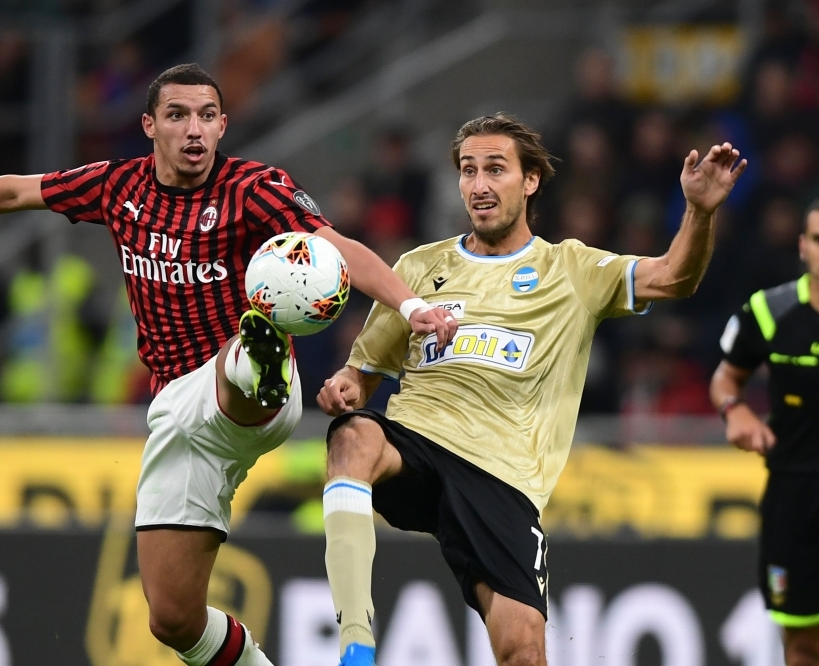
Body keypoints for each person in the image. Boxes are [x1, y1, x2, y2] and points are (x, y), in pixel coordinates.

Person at [0, 63, 457, 666]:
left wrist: (408, 304)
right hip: (176, 415)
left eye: (206, 116)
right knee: (173, 619)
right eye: (177, 115)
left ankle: (259, 357)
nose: (193, 130)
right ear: (149, 125)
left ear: (222, 126)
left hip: (242, 391)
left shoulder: (254, 188)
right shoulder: (119, 187)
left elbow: (339, 248)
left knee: (250, 345)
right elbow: (16, 189)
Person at [317, 113, 746, 666]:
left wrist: (699, 211)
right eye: (468, 171)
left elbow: (674, 276)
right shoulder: (419, 268)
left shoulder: (572, 267)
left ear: (531, 180)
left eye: (495, 169)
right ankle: (355, 641)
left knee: (523, 652)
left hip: (503, 477)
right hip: (418, 442)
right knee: (351, 438)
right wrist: (346, 387)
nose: (479, 185)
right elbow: (363, 370)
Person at [709, 201, 819, 666]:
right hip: (794, 499)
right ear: (803, 247)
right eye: (818, 239)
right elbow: (724, 379)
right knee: (802, 645)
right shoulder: (770, 311)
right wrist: (735, 412)